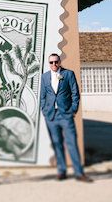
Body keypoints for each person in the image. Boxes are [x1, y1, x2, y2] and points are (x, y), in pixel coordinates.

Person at [40, 53, 93, 182]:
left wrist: (73, 110)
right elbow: (42, 96)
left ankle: (79, 173)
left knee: (71, 143)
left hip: (65, 115)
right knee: (57, 143)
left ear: (60, 62)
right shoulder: (44, 77)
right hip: (51, 115)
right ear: (49, 63)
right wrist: (45, 111)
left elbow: (75, 93)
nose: (54, 64)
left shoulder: (68, 74)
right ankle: (61, 171)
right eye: (51, 62)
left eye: (56, 62)